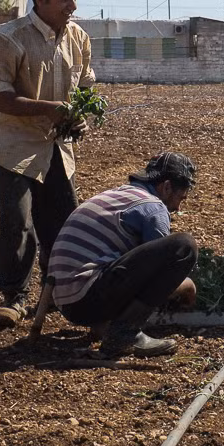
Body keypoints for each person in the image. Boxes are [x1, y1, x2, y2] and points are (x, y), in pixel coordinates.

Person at [0, 0, 94, 327]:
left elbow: (86, 86)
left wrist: (81, 113)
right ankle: (15, 298)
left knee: (64, 225)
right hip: (15, 148)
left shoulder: (78, 37)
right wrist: (53, 109)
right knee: (17, 222)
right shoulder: (8, 38)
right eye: (65, 0)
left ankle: (59, 292)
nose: (72, 7)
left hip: (58, 147)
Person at [48, 152, 199, 358]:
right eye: (180, 198)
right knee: (183, 247)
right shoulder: (153, 208)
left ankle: (105, 325)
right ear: (166, 187)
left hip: (66, 300)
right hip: (88, 296)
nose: (177, 207)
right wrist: (187, 285)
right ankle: (125, 334)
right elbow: (157, 272)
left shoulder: (118, 196)